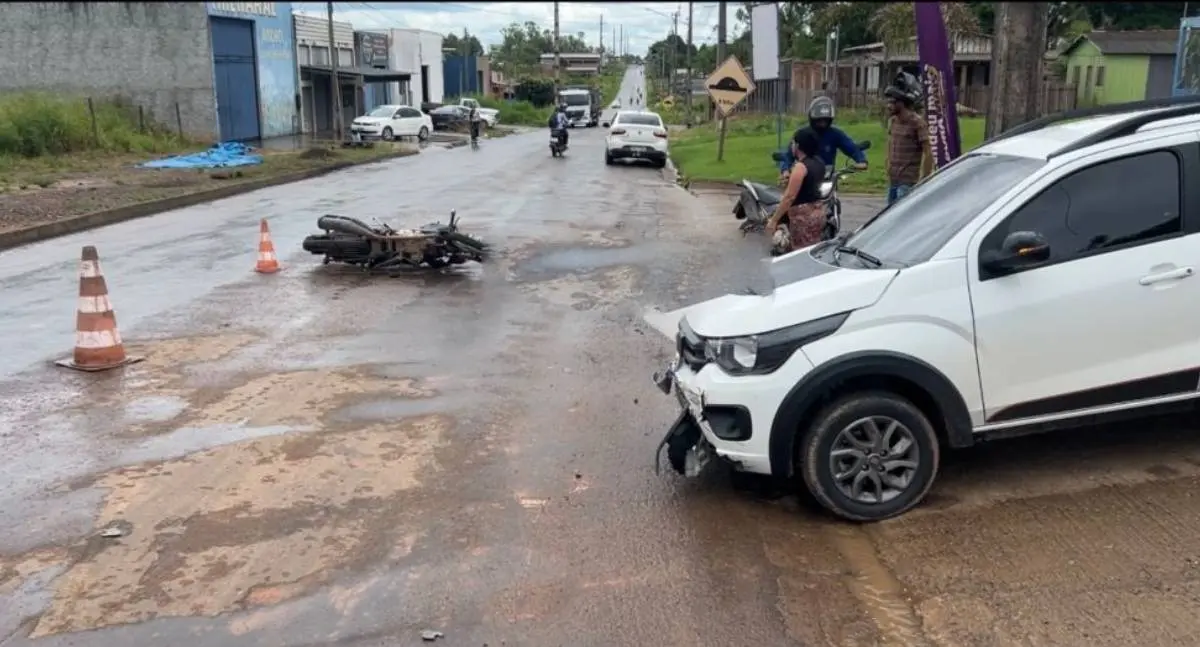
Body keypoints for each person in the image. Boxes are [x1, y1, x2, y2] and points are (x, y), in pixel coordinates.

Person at [777, 96, 868, 186]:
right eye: (819, 120)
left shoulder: (835, 134)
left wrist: (861, 161)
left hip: (827, 178)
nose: (822, 124)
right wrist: (785, 170)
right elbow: (789, 154)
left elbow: (850, 147)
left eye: (825, 120)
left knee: (834, 200)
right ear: (812, 118)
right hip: (805, 178)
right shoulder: (802, 134)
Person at [767, 127, 828, 254]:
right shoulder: (819, 163)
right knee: (813, 249)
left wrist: (774, 220)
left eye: (793, 143)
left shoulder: (800, 167)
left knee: (800, 253)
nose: (792, 146)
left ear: (798, 146)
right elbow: (809, 184)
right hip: (818, 211)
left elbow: (789, 196)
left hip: (803, 217)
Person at [884, 71, 933, 206]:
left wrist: (925, 177)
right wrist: (887, 163)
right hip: (893, 180)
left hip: (907, 183)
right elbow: (890, 143)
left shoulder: (917, 123)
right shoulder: (893, 121)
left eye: (892, 102)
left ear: (902, 103)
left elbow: (928, 151)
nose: (889, 105)